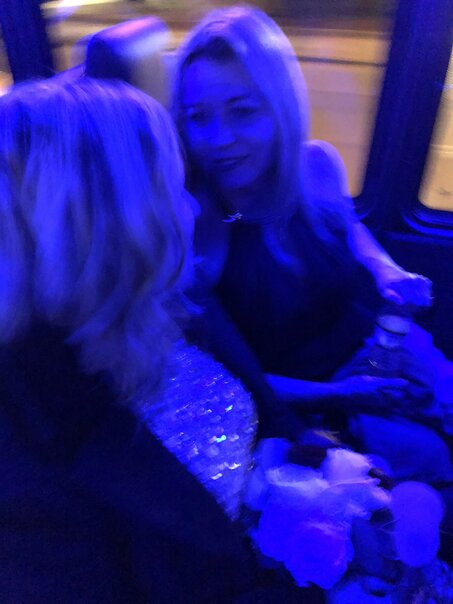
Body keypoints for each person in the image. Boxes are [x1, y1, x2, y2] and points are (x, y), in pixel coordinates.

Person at [0, 78, 322, 603]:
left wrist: (307, 481)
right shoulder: (25, 463)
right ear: (107, 223)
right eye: (171, 188)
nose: (192, 208)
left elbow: (263, 410)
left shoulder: (162, 299)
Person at [172, 5, 453, 481]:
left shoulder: (317, 164)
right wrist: (348, 394)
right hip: (317, 400)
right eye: (198, 117)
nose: (218, 139)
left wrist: (387, 271)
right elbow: (231, 381)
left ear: (280, 108)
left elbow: (350, 229)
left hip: (384, 347)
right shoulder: (200, 229)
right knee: (433, 465)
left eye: (242, 111)